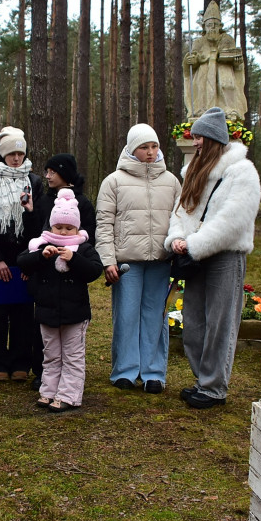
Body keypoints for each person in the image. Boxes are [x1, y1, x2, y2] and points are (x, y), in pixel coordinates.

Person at [165, 107, 261, 409]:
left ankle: (214, 388)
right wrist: (177, 239)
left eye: (198, 138)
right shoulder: (193, 172)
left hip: (224, 258)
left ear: (212, 140)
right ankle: (201, 380)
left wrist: (194, 245)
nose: (194, 143)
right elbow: (181, 212)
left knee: (220, 324)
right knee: (193, 321)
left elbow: (233, 220)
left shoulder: (242, 172)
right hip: (195, 255)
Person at [96, 123, 181, 393]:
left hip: (160, 261)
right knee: (127, 316)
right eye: (144, 147)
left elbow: (180, 220)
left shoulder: (171, 181)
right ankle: (125, 370)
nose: (150, 152)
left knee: (156, 316)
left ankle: (154, 373)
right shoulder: (114, 181)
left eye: (154, 146)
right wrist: (108, 260)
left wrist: (178, 250)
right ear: (132, 149)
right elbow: (104, 224)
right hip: (126, 264)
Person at [18, 189, 104, 412]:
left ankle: (69, 395)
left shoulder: (83, 248)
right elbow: (23, 262)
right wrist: (41, 255)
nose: (63, 232)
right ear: (51, 226)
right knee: (51, 354)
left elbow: (95, 271)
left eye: (69, 228)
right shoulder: (42, 245)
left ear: (77, 228)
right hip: (47, 312)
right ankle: (48, 391)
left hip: (74, 314)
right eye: (59, 227)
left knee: (72, 356)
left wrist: (74, 259)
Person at [0, 126, 44, 381]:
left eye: (20, 153)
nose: (16, 158)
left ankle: (20, 364)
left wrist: (29, 261)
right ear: (3, 154)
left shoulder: (34, 181)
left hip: (25, 256)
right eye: (12, 153)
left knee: (24, 313)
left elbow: (39, 227)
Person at [182, 1, 248, 120]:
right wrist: (190, 61)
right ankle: (201, 109)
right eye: (209, 25)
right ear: (204, 27)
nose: (212, 27)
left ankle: (228, 108)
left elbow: (236, 60)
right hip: (204, 75)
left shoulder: (227, 39)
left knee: (226, 80)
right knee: (200, 82)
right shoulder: (199, 42)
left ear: (220, 26)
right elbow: (192, 63)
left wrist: (236, 62)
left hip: (224, 73)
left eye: (215, 24)